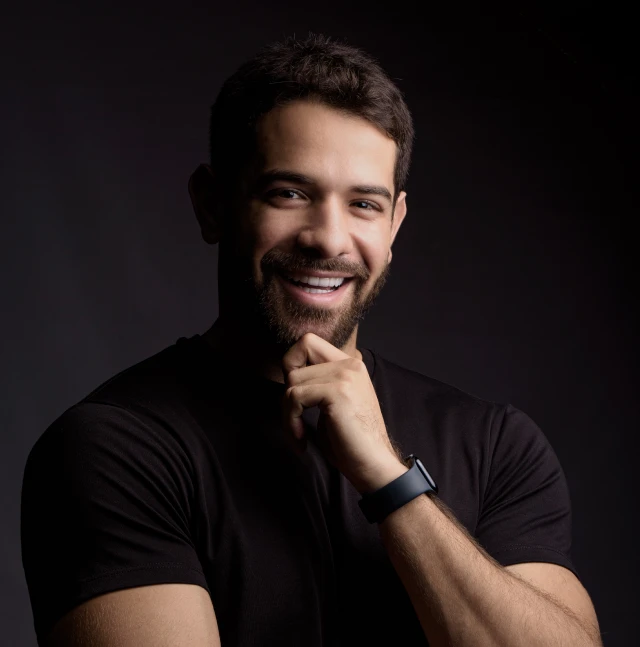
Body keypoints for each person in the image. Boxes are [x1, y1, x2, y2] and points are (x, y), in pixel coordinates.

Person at [21, 33, 602, 646]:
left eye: (364, 205)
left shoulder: (495, 444)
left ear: (395, 225)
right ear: (212, 205)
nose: (328, 238)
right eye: (290, 194)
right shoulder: (113, 448)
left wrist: (390, 481)